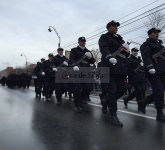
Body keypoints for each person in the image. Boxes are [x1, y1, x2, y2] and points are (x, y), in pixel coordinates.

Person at [98, 20, 130, 127]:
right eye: (114, 26)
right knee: (112, 91)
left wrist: (127, 50)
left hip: (120, 68)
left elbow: (125, 51)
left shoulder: (120, 38)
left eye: (116, 26)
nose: (116, 27)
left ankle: (106, 101)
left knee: (121, 91)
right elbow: (104, 48)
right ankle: (113, 114)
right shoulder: (104, 37)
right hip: (109, 67)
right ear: (108, 27)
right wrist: (109, 56)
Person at [140, 28, 165, 122]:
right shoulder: (145, 45)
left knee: (160, 90)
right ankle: (159, 113)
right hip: (153, 72)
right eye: (155, 33)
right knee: (159, 91)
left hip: (162, 71)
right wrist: (150, 67)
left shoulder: (160, 45)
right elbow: (146, 57)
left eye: (158, 33)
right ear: (150, 34)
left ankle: (144, 102)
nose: (157, 34)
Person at [69, 37, 95, 113]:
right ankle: (77, 105)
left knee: (88, 88)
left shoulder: (88, 51)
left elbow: (93, 61)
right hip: (77, 70)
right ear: (78, 42)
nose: (83, 42)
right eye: (81, 41)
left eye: (84, 41)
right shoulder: (74, 50)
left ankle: (81, 99)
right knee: (77, 88)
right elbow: (71, 59)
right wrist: (74, 65)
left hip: (86, 71)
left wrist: (90, 57)